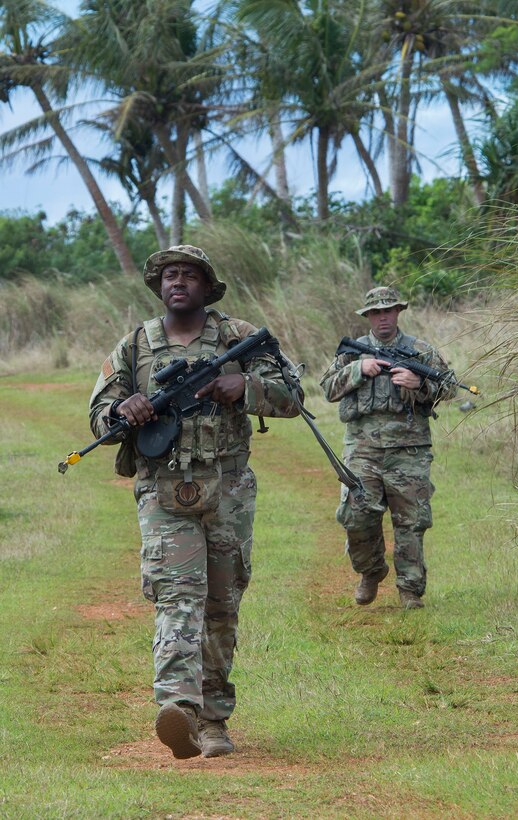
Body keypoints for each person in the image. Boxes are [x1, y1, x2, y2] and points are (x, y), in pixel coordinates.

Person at [89, 245, 300, 759]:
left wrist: (243, 386)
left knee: (222, 604)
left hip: (228, 487)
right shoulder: (135, 346)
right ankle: (179, 708)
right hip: (164, 490)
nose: (177, 282)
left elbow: (293, 396)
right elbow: (99, 417)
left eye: (188, 275)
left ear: (207, 287)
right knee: (177, 594)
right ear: (159, 288)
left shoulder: (239, 337)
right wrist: (125, 406)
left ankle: (213, 720)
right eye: (168, 276)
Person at [320, 286, 455, 610]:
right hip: (363, 449)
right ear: (367, 316)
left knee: (411, 521)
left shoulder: (420, 350)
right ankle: (371, 571)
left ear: (398, 312)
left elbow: (449, 386)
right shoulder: (353, 351)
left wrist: (419, 384)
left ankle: (410, 589)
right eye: (376, 312)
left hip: (410, 449)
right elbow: (327, 388)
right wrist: (357, 370)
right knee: (356, 515)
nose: (383, 317)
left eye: (389, 310)